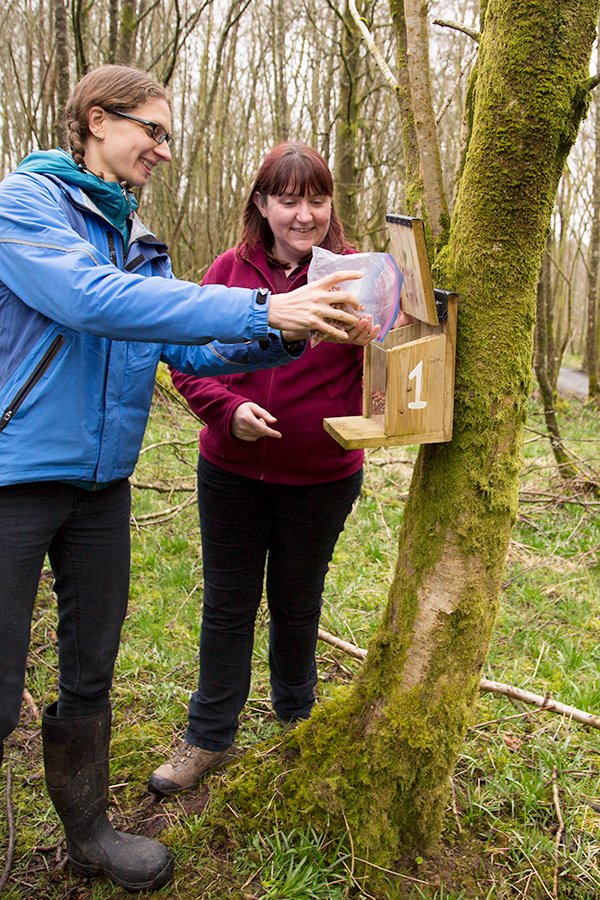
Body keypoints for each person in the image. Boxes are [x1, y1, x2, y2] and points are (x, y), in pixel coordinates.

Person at [0, 70, 364, 893]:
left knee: (90, 668)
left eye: (169, 137)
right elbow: (93, 301)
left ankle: (89, 831)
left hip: (103, 485)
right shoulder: (25, 206)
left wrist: (293, 332)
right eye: (152, 132)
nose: (164, 151)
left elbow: (187, 352)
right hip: (16, 475)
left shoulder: (135, 236)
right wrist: (264, 312)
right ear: (97, 120)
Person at [148, 142, 383, 798]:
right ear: (261, 204)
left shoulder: (356, 277)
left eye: (316, 199)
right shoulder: (228, 270)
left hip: (323, 477)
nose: (303, 215)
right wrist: (228, 412)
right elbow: (185, 361)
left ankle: (297, 724)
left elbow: (398, 380)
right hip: (231, 473)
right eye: (287, 199)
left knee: (298, 602)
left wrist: (377, 343)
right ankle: (209, 737)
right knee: (228, 604)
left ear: (330, 206)